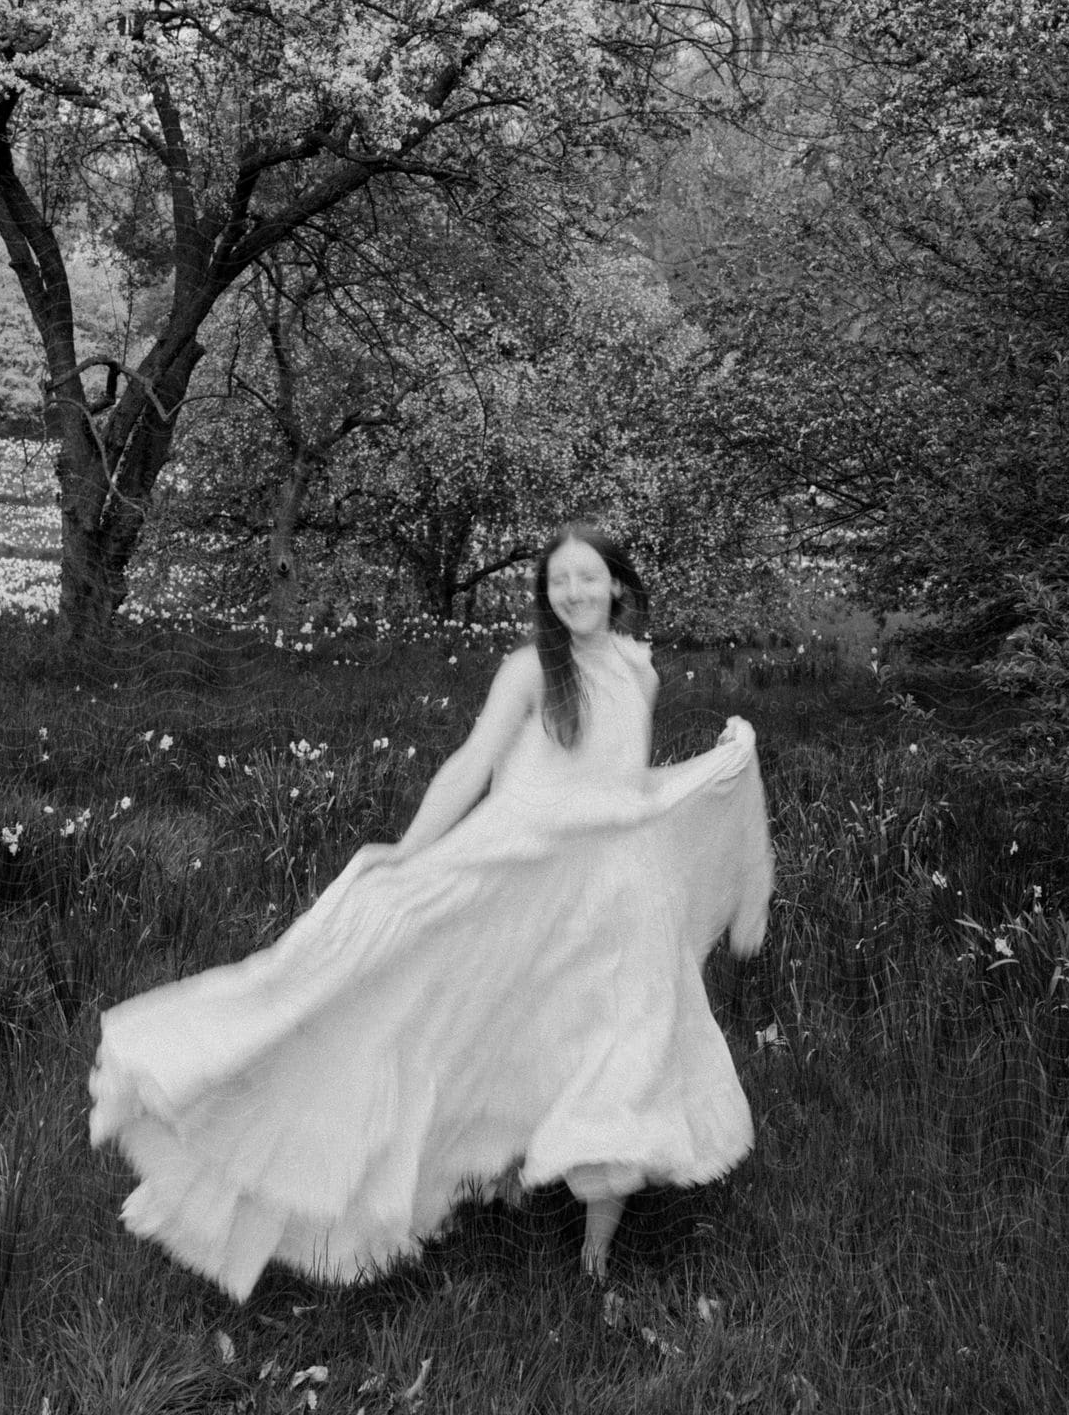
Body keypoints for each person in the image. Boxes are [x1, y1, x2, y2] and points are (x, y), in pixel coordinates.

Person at [89, 524, 773, 1296]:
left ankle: (593, 1259)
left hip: (617, 893)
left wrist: (713, 772)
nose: (574, 593)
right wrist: (408, 851)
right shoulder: (530, 671)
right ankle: (428, 1167)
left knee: (619, 1047)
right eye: (559, 582)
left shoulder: (638, 674)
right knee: (454, 1019)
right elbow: (472, 764)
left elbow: (623, 784)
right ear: (546, 595)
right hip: (521, 875)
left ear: (617, 585)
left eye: (588, 578)